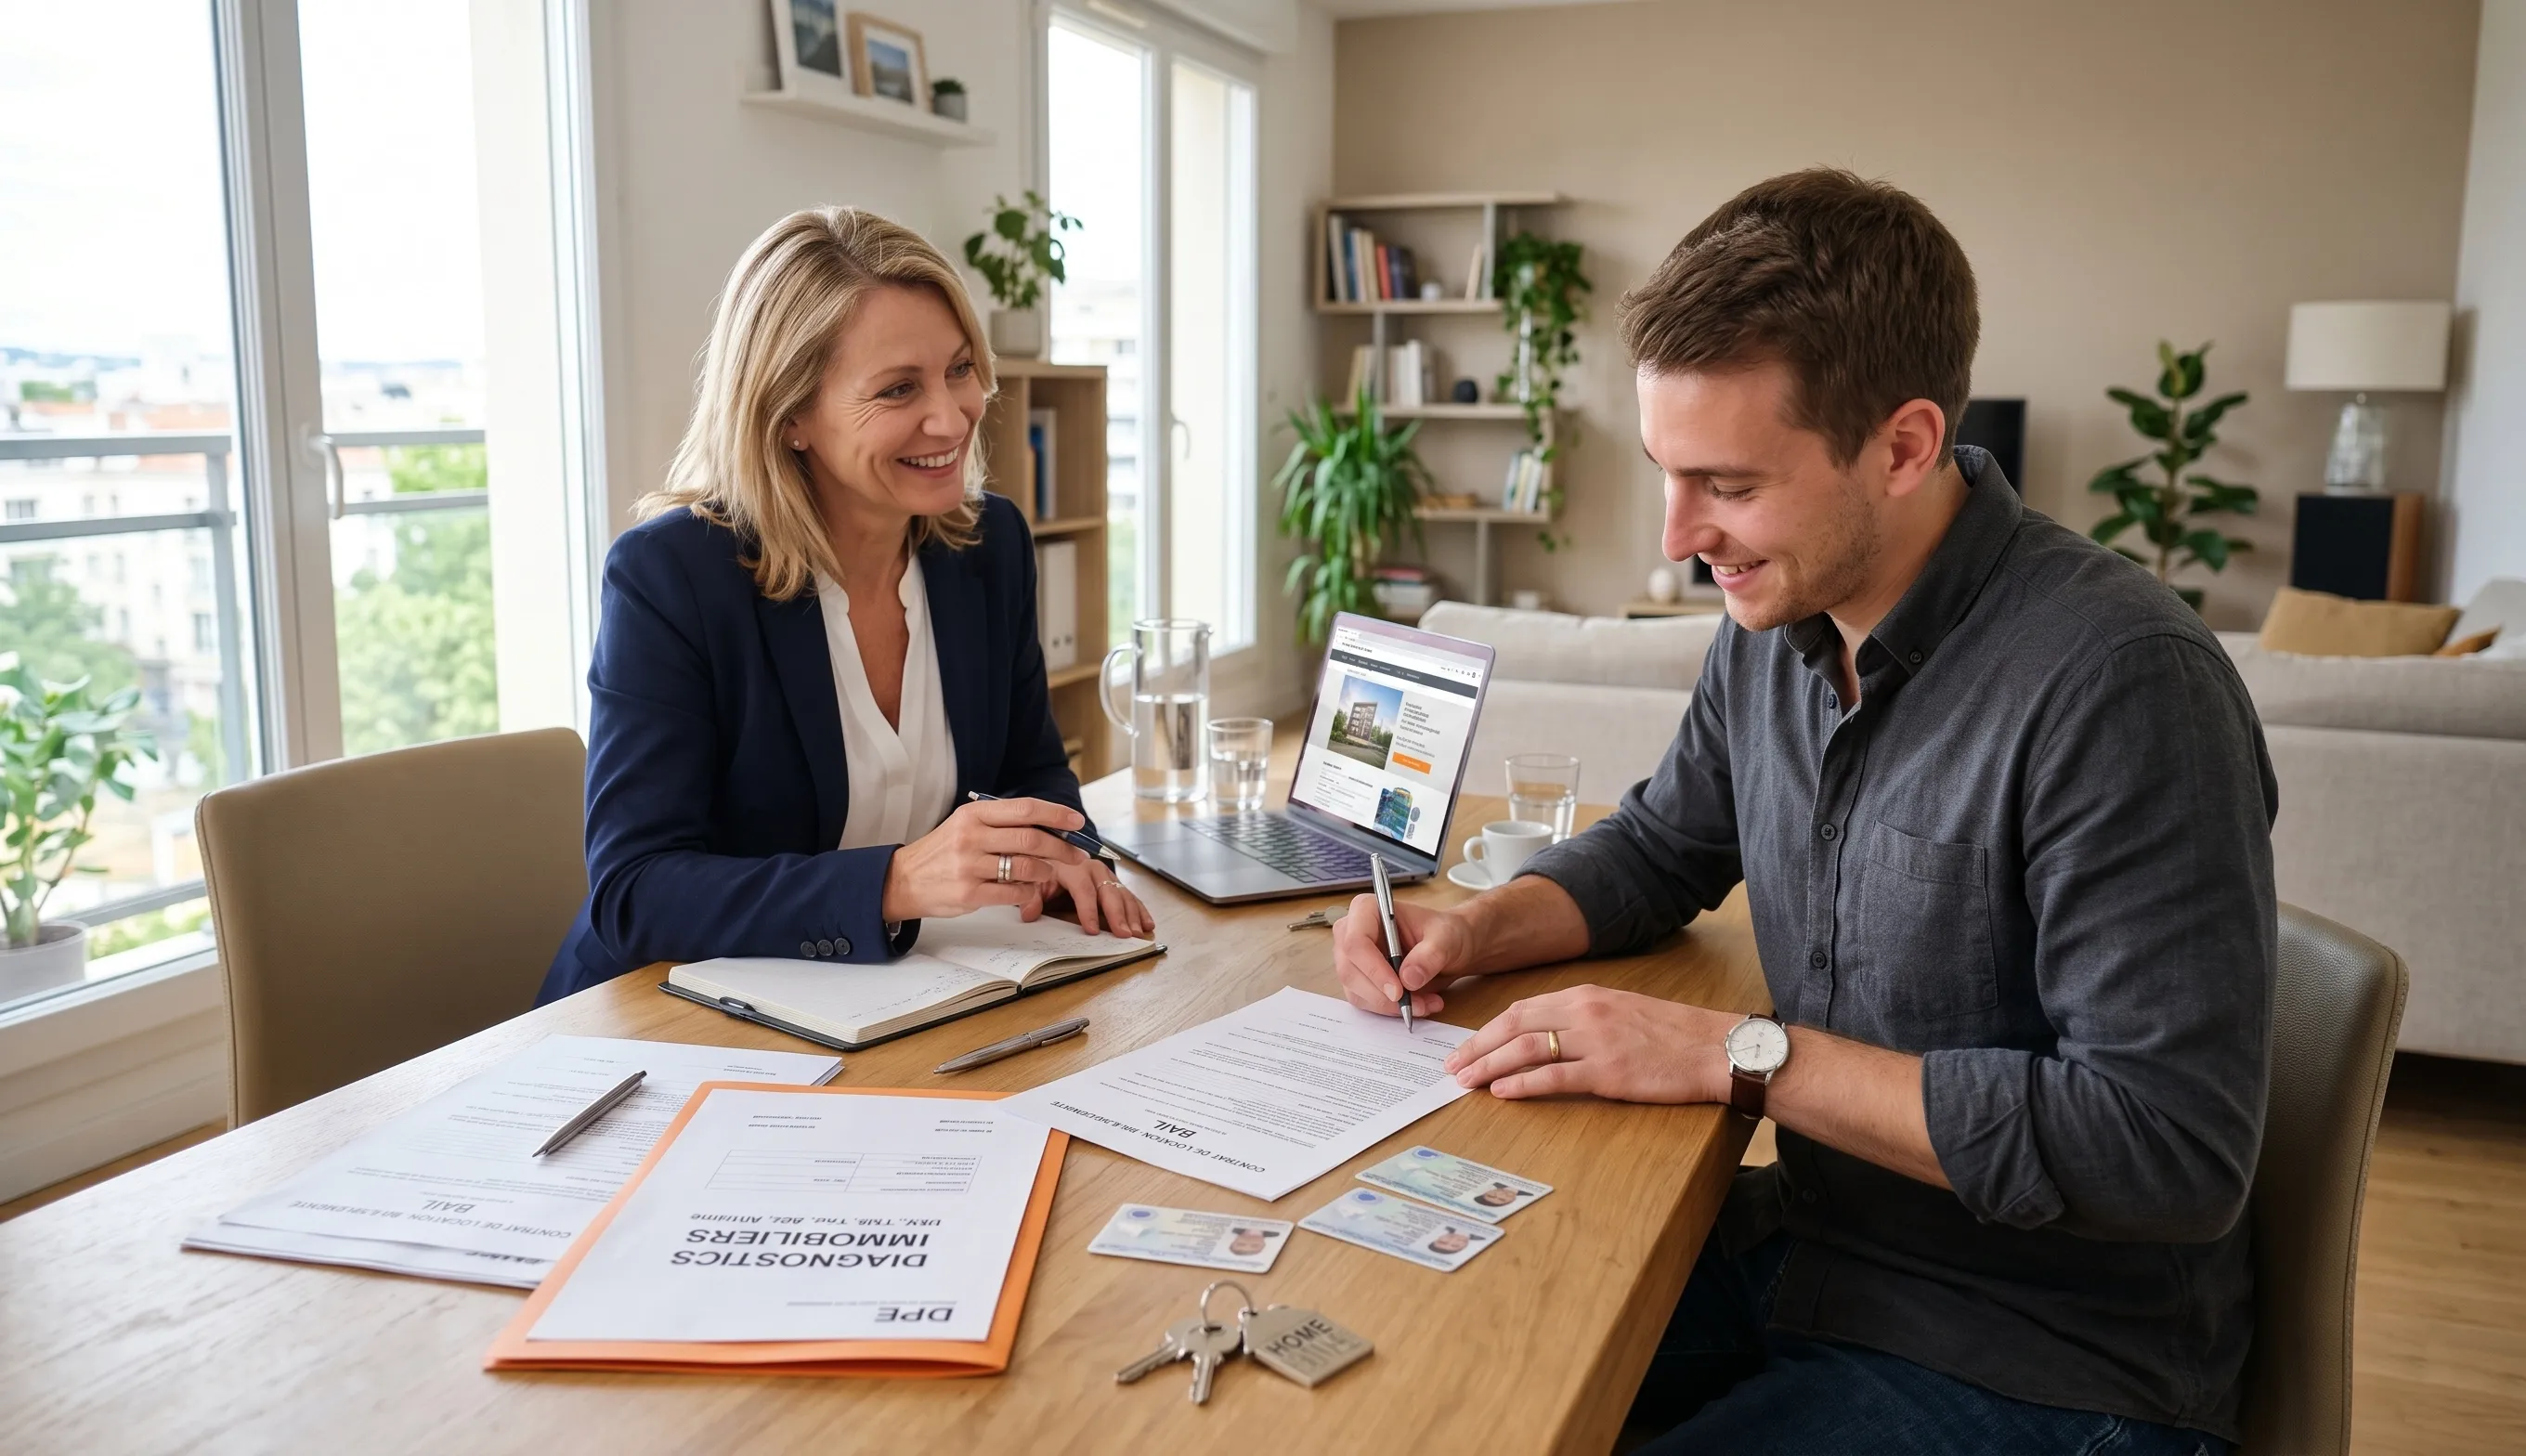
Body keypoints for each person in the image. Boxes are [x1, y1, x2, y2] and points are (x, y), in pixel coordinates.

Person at [1332, 170, 2272, 1455]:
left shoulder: (2122, 688)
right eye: (1669, 474)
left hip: (2047, 1355)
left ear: (1901, 445)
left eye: (1726, 484)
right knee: (1420, 1374)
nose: (1677, 536)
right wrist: (1478, 931)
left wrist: (1732, 1056)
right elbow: (1665, 845)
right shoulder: (1773, 627)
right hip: (1821, 1254)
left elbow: (2165, 1147)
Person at [540, 207, 1152, 1002]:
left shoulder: (988, 544)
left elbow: (1029, 769)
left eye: (960, 369)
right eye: (899, 388)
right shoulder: (672, 577)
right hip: (662, 1021)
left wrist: (1075, 865)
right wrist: (895, 882)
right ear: (791, 416)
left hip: (886, 1003)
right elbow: (636, 889)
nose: (953, 415)